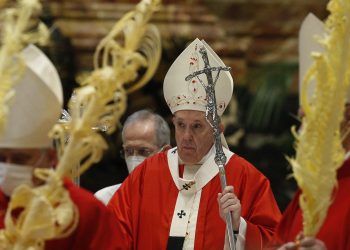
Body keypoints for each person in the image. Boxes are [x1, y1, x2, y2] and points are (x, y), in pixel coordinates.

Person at [107, 38, 281, 250]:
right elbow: (112, 232)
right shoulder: (147, 174)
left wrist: (238, 227)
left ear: (218, 130)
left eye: (197, 127)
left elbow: (275, 242)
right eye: (181, 125)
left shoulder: (245, 177)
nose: (186, 136)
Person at [0, 44, 120, 249]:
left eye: (20, 159)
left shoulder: (84, 211)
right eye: (1, 158)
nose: (8, 167)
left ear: (50, 157)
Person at [262, 14, 350, 250]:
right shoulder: (310, 191)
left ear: (346, 120)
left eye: (312, 119)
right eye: (301, 119)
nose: (301, 131)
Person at [94, 109, 171, 204]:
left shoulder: (181, 199)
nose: (134, 159)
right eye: (128, 151)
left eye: (144, 151)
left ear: (165, 153)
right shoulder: (106, 199)